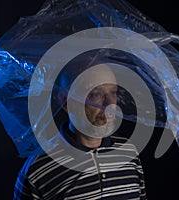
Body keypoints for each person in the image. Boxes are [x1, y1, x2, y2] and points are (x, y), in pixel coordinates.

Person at [13, 57, 147, 200]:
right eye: (96, 94)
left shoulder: (128, 152)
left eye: (113, 92)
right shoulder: (37, 170)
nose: (110, 104)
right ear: (65, 101)